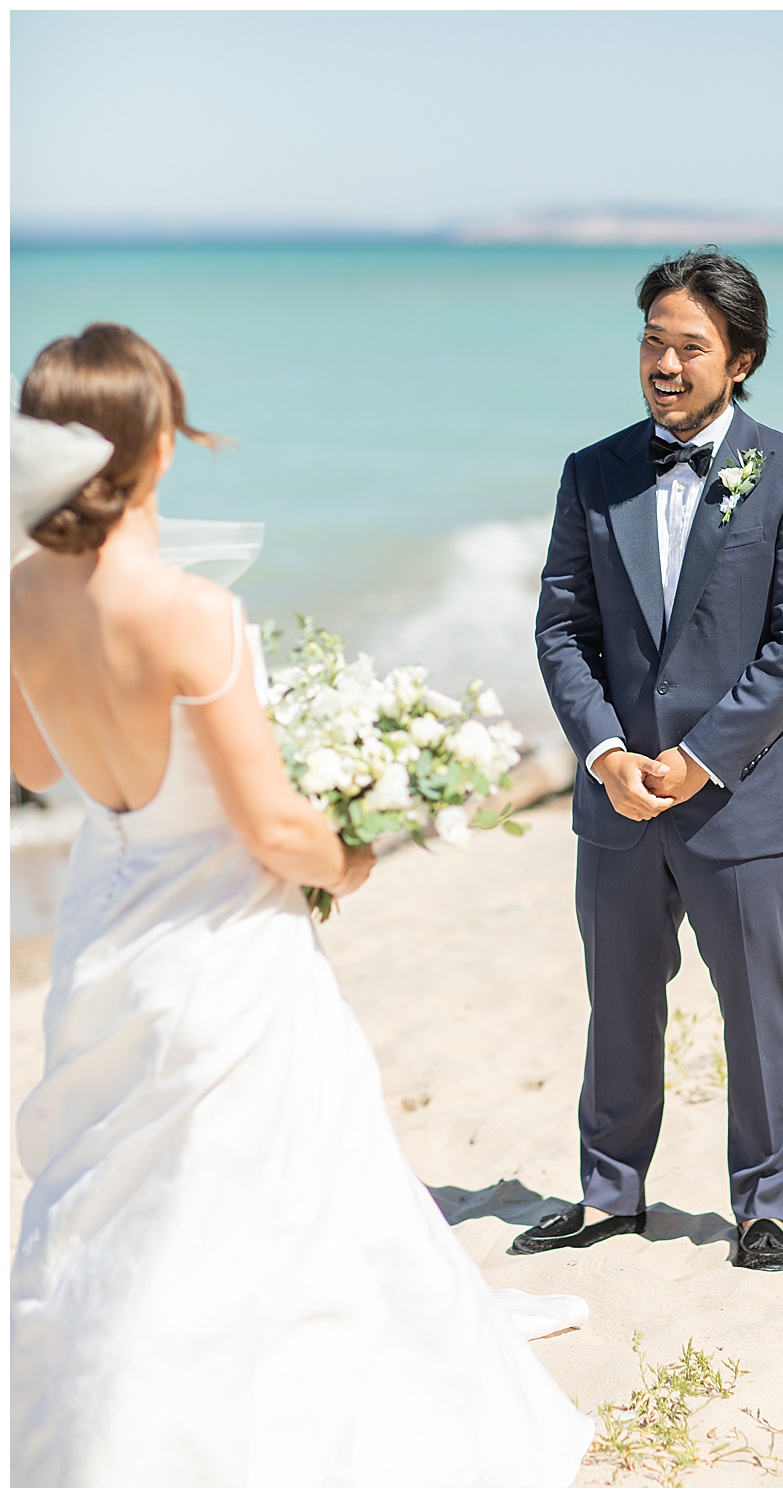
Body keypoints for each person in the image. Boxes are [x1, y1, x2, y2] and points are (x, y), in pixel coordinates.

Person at [9, 325, 591, 1484]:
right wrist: (351, 856)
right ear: (155, 443)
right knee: (275, 1165)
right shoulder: (189, 613)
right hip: (220, 929)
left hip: (109, 909)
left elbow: (31, 764)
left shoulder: (19, 591)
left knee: (133, 1182)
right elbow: (272, 825)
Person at [524, 248, 783, 1270]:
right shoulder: (591, 472)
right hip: (617, 798)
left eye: (688, 346)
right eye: (652, 342)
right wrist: (607, 752)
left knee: (758, 1010)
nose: (664, 362)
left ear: (738, 358)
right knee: (616, 999)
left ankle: (767, 1206)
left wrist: (701, 759)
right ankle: (612, 1192)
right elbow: (562, 629)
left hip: (740, 799)